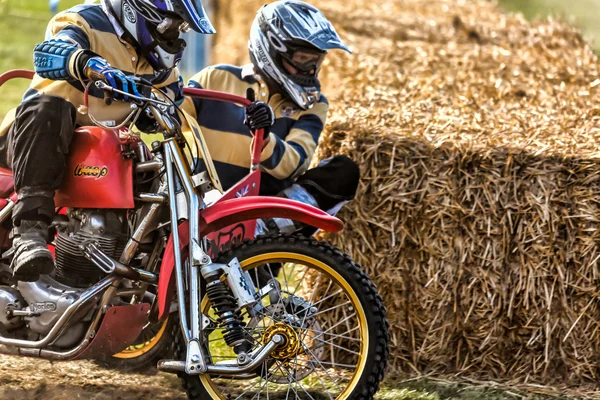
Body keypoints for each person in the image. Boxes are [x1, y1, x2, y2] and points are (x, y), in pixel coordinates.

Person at [0, 0, 214, 282]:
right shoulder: (83, 21)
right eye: (171, 24)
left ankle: (144, 273)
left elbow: (174, 107)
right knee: (49, 108)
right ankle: (28, 235)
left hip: (96, 157)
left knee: (149, 162)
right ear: (137, 10)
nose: (175, 35)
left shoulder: (158, 64)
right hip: (31, 144)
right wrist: (87, 63)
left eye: (181, 27)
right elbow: (52, 51)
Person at [183, 0, 360, 236]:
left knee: (344, 171)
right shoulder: (215, 78)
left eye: (316, 62)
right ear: (272, 50)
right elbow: (170, 116)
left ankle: (257, 232)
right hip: (203, 207)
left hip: (265, 220)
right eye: (303, 60)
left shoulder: (315, 104)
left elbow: (294, 163)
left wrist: (264, 140)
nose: (311, 71)